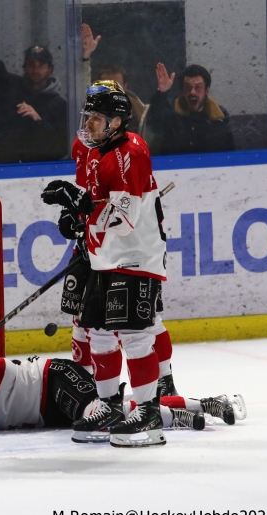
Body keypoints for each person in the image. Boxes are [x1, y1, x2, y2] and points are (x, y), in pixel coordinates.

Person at [41, 80, 168, 447]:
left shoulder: (131, 151)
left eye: (96, 117)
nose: (89, 123)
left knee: (135, 335)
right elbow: (98, 207)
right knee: (97, 330)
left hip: (135, 257)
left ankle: (147, 413)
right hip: (104, 258)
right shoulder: (98, 152)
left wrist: (80, 205)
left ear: (115, 121)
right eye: (88, 116)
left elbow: (122, 219)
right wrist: (77, 218)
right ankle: (111, 404)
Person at [0, 355, 246, 438]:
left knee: (101, 418)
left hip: (53, 380)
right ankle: (207, 403)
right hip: (46, 413)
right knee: (124, 411)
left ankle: (177, 417)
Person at [0, 14, 68, 163]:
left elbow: (61, 147)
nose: (36, 69)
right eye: (31, 64)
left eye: (41, 65)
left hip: (38, 172)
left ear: (50, 70)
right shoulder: (9, 87)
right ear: (25, 67)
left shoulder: (59, 105)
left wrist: (39, 120)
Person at [144, 63, 235, 155]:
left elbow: (229, 152)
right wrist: (162, 92)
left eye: (198, 87)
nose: (192, 92)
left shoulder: (219, 117)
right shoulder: (172, 109)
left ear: (206, 90)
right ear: (183, 90)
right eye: (188, 87)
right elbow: (155, 120)